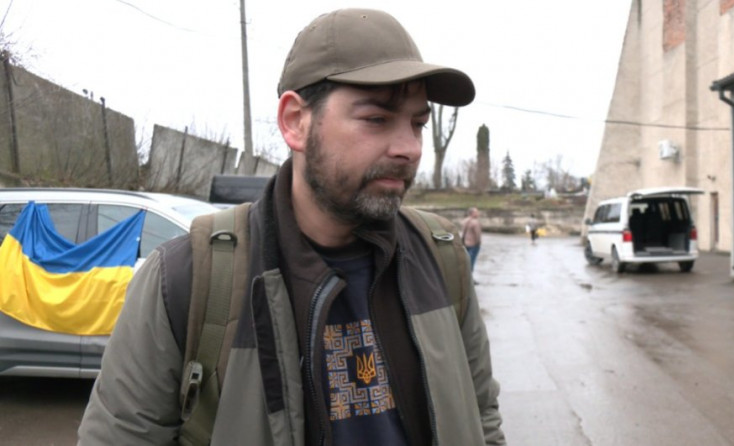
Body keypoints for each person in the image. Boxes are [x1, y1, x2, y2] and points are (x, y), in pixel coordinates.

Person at [78, 8, 505, 446]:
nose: (409, 148)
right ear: (295, 121)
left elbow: (481, 416)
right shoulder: (184, 280)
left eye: (417, 123)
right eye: (377, 118)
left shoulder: (440, 256)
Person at [461, 207, 483, 271]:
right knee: (471, 262)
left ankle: (465, 274)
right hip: (473, 244)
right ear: (472, 213)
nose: (478, 213)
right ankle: (470, 275)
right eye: (476, 212)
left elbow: (463, 233)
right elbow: (477, 234)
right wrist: (478, 243)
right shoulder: (475, 222)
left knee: (465, 261)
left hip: (465, 243)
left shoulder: (464, 221)